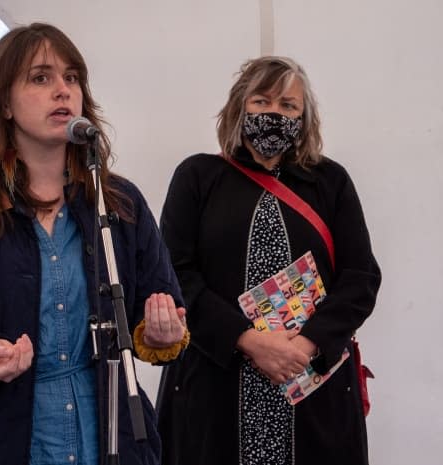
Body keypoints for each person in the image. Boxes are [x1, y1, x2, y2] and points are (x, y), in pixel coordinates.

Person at [0, 23, 189, 465]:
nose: (62, 91)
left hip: (107, 441)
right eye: (41, 78)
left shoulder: (119, 204)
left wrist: (163, 332)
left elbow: (160, 311)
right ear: (4, 104)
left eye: (72, 78)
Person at [156, 56, 381, 465]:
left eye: (288, 106)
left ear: (304, 117)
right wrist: (249, 341)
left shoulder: (330, 182)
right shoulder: (197, 177)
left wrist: (308, 344)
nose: (274, 114)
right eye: (261, 102)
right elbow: (174, 273)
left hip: (312, 382)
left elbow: (361, 277)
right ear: (240, 108)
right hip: (215, 387)